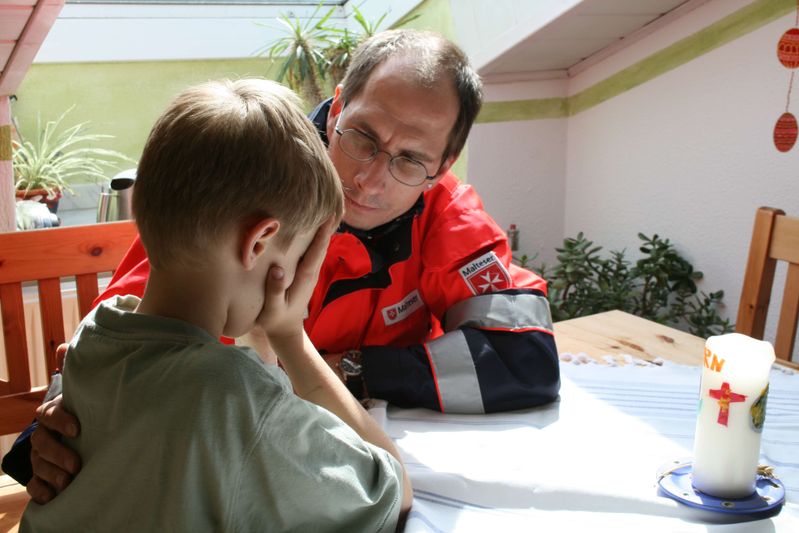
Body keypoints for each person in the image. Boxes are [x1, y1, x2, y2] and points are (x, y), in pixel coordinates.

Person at [7, 29, 559, 503]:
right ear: (338, 106)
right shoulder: (242, 178)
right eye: (363, 136)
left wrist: (352, 369)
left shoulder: (451, 216)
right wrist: (57, 423)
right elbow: (128, 343)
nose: (370, 178)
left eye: (411, 159)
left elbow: (526, 357)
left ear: (443, 166)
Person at [18, 79, 411, 532]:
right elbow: (394, 489)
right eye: (297, 256)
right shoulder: (233, 395)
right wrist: (290, 338)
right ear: (260, 241)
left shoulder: (95, 335)